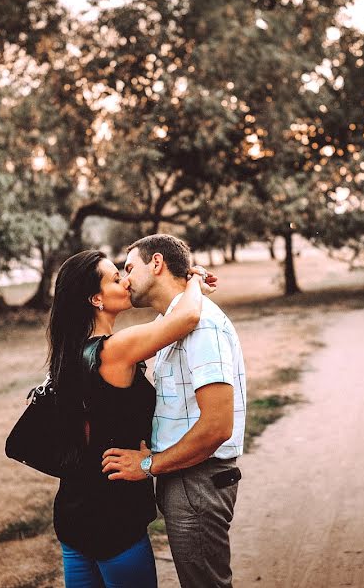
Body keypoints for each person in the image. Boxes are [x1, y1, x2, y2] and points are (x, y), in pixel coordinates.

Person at [45, 249, 215, 588]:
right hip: (113, 517)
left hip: (73, 513)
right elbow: (186, 319)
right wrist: (193, 281)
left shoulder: (71, 351)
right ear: (95, 298)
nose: (125, 280)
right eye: (114, 278)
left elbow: (164, 324)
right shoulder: (114, 350)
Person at [102, 234, 247, 588]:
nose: (124, 279)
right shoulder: (177, 322)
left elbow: (217, 426)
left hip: (197, 480)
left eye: (129, 267)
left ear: (156, 263)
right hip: (186, 478)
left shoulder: (202, 326)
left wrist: (148, 465)